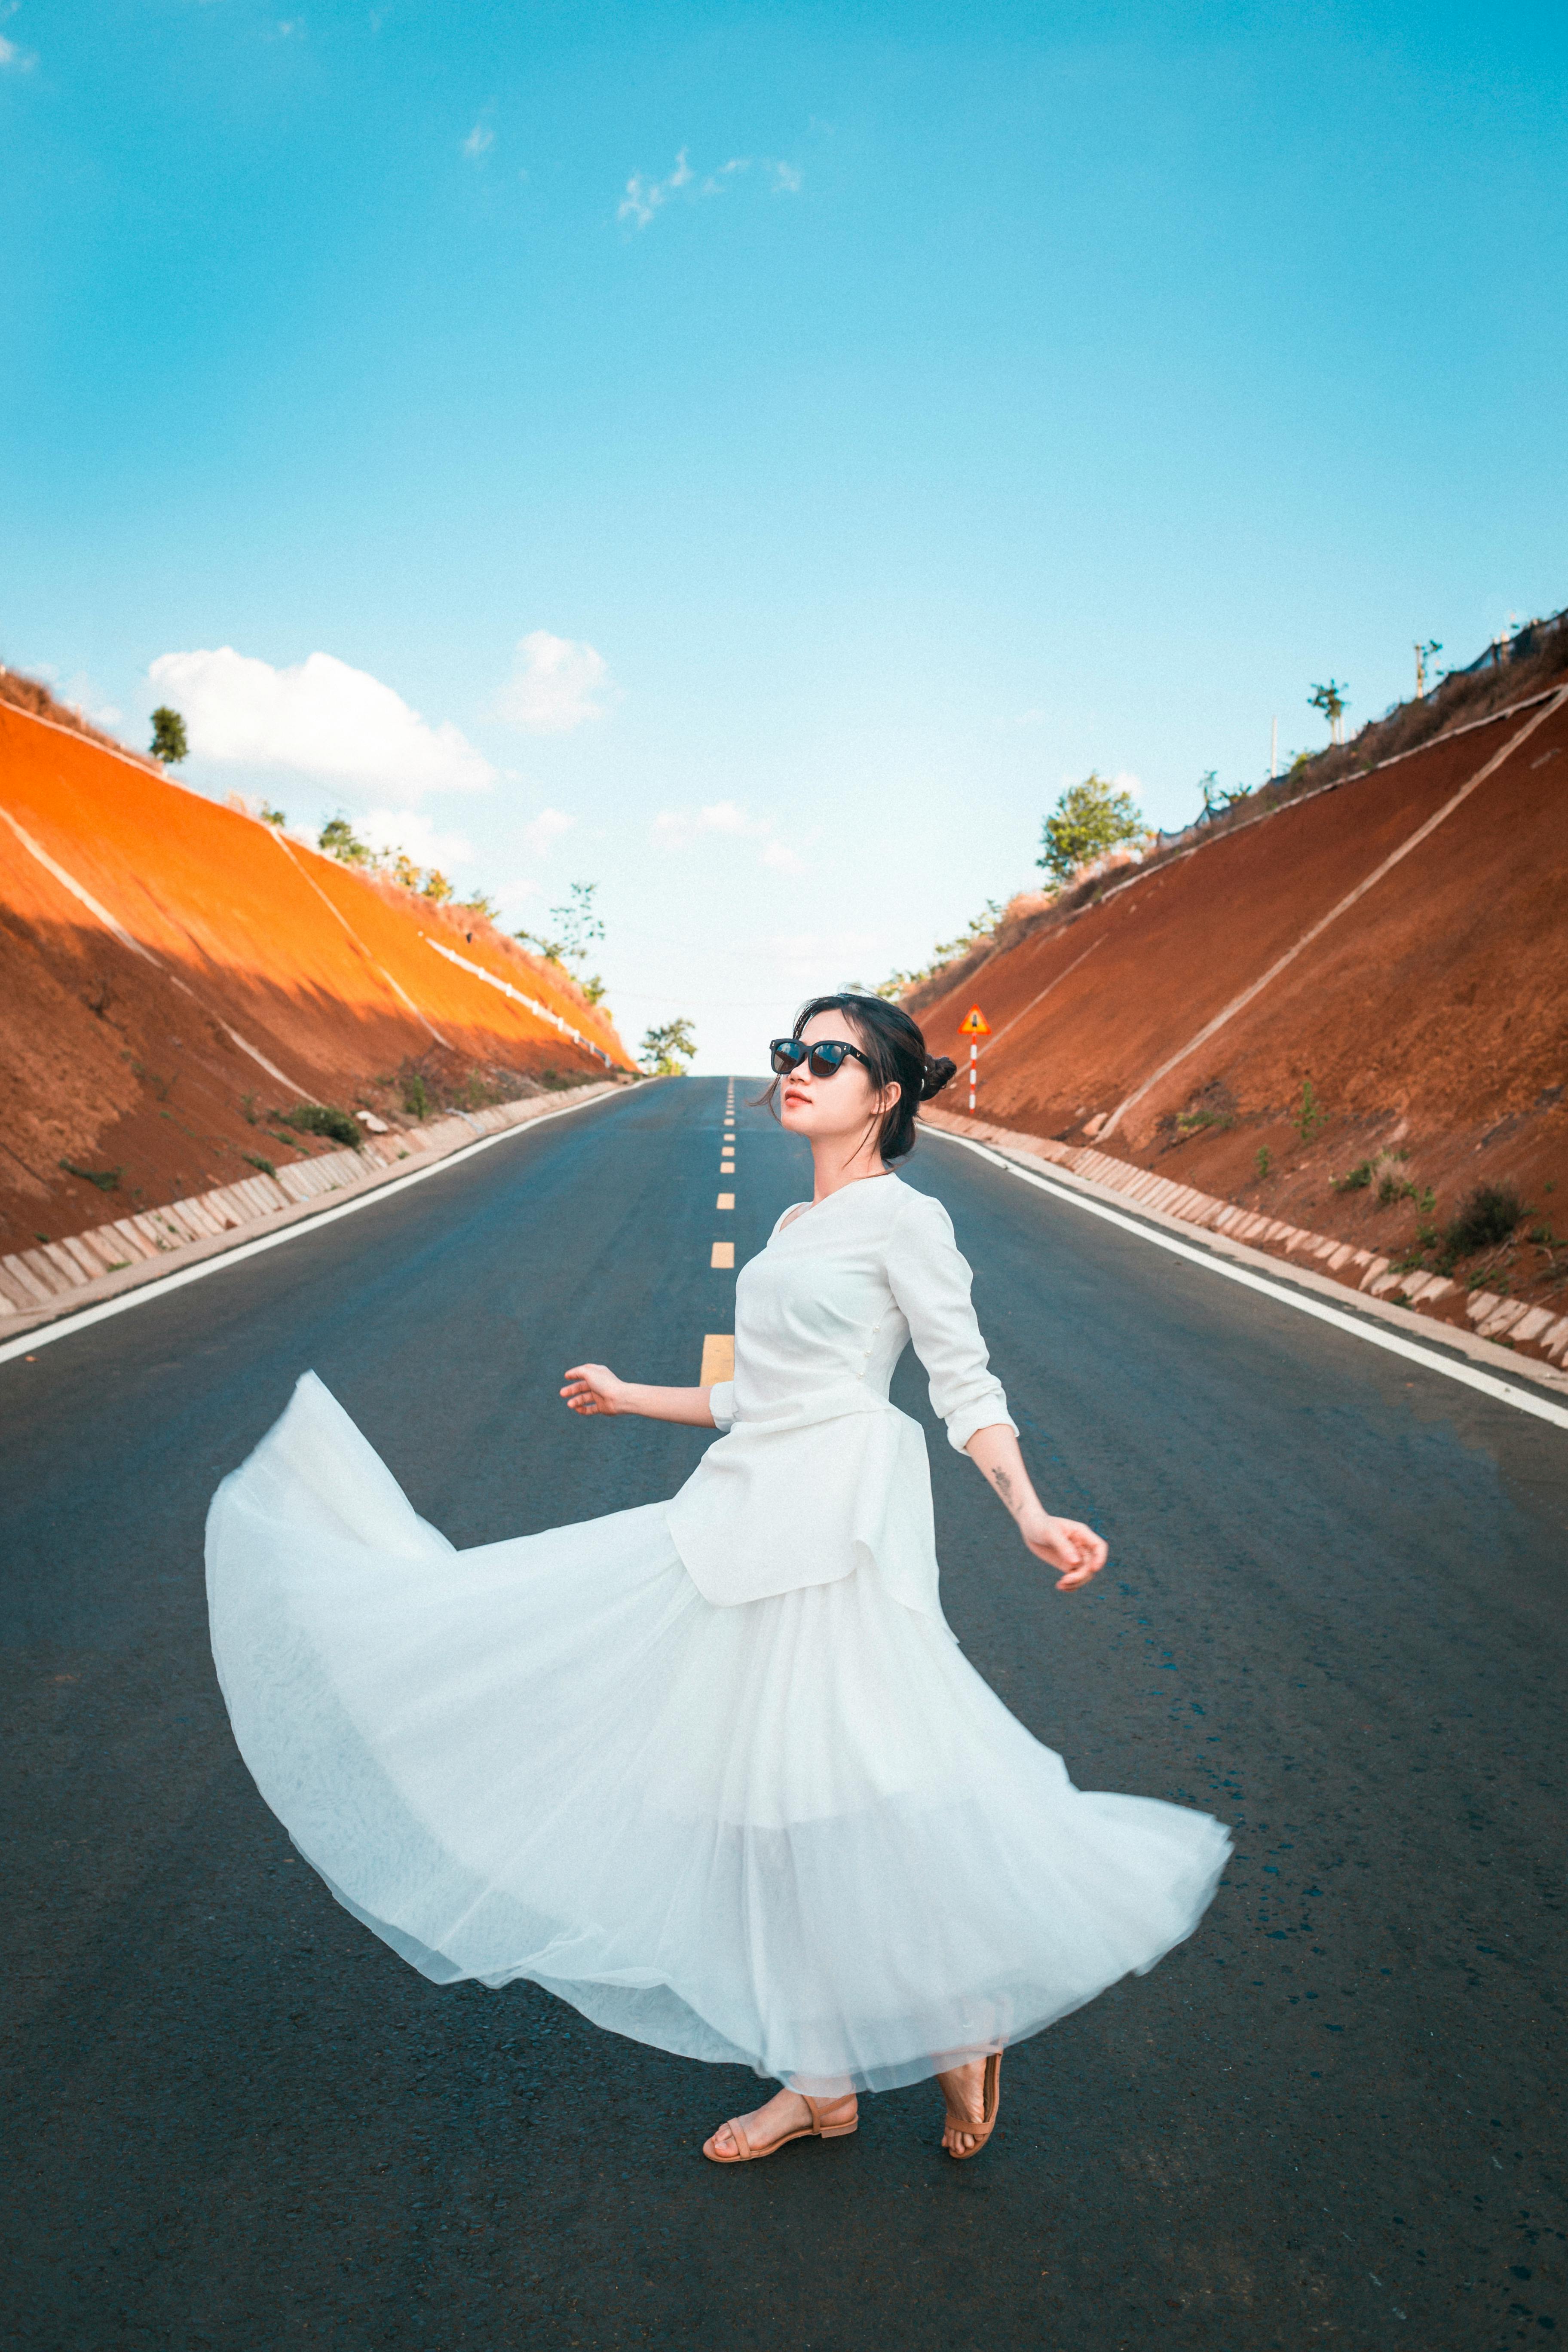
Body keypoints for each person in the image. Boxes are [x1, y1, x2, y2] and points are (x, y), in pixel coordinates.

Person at [206, 995, 1229, 2167]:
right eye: (790, 1052)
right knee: (758, 1813)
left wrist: (1031, 1510)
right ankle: (824, 2083)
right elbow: (757, 1394)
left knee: (850, 1792)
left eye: (828, 1057)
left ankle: (958, 2008)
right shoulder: (794, 1222)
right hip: (745, 1511)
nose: (798, 1070)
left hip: (837, 1527)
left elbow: (965, 1383)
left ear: (886, 1093)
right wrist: (633, 1393)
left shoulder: (908, 1223)